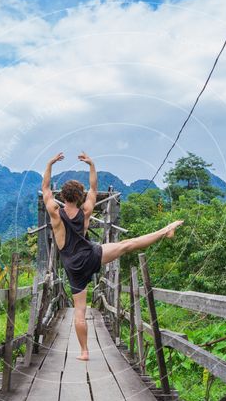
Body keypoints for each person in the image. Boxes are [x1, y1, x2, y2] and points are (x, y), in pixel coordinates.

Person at [41, 151, 183, 361]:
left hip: (72, 265)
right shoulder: (86, 211)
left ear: (62, 197)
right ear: (79, 197)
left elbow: (45, 188)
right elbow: (93, 189)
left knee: (79, 310)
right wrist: (91, 165)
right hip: (91, 255)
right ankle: (165, 230)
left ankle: (84, 352)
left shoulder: (54, 211)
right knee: (127, 244)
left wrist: (50, 163)